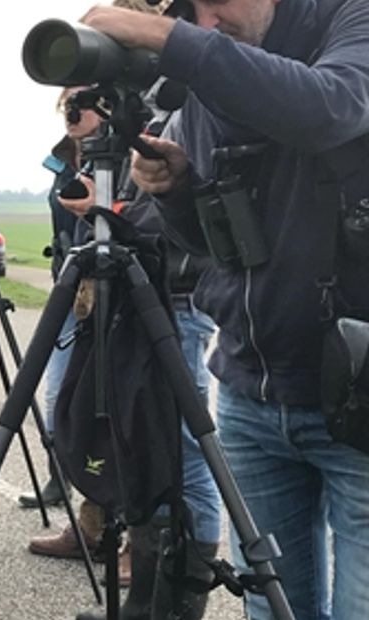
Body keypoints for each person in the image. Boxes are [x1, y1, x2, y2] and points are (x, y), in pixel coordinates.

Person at [86, 1, 369, 618]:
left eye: (217, 3)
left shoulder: (351, 18)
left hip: (358, 402)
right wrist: (182, 190)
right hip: (247, 397)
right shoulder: (205, 80)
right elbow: (217, 250)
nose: (205, 23)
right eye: (191, 10)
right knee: (271, 607)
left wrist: (166, 34)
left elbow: (334, 106)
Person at [18, 85, 101, 511]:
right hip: (67, 284)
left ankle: (98, 500)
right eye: (68, 103)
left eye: (83, 102)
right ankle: (59, 479)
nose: (74, 111)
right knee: (54, 391)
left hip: (107, 289)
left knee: (99, 398)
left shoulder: (120, 156)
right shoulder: (61, 161)